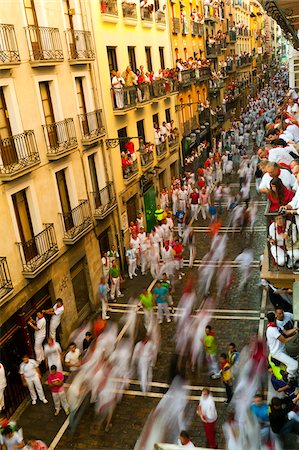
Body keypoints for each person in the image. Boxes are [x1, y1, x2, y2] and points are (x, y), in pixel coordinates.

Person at [266, 312, 298, 382]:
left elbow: (286, 332)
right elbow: (284, 340)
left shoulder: (276, 325)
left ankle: (288, 373)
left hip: (282, 349)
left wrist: (296, 329)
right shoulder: (272, 330)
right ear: (275, 317)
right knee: (295, 365)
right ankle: (288, 377)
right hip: (277, 353)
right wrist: (296, 335)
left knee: (293, 361)